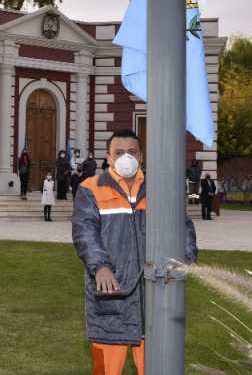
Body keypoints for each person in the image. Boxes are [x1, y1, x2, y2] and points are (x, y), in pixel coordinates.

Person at [72, 129, 198, 375]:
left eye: (131, 152)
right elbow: (84, 233)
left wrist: (185, 260)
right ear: (108, 157)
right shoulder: (91, 188)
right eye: (119, 152)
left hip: (154, 295)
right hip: (112, 296)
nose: (126, 158)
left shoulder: (159, 188)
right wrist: (100, 266)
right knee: (106, 370)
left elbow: (183, 228)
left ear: (140, 156)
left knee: (155, 369)